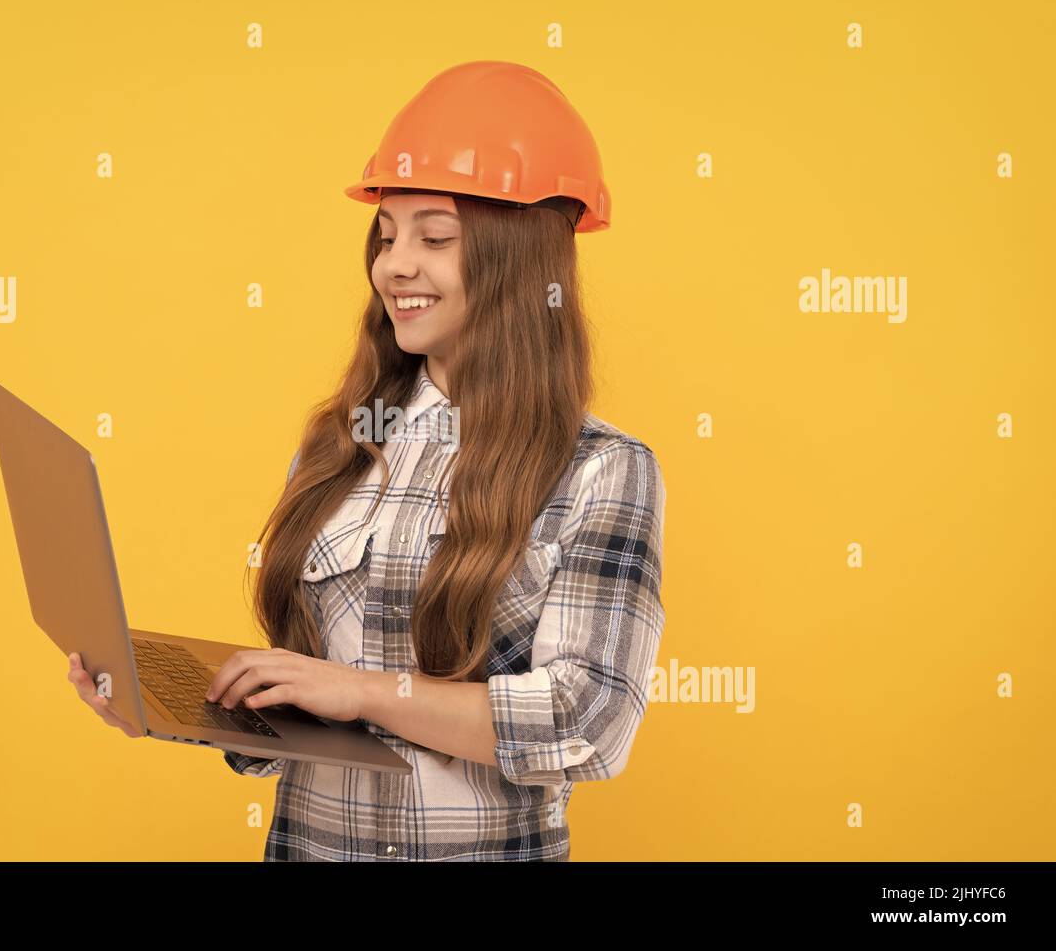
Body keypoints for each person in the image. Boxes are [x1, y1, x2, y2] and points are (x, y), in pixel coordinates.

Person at [68, 60, 667, 861]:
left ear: (521, 260)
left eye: (435, 237)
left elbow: (587, 724)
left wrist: (364, 694)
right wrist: (179, 708)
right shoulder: (343, 444)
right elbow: (315, 705)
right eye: (386, 236)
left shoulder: (600, 470)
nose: (395, 266)